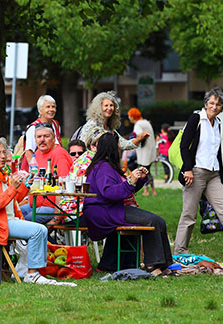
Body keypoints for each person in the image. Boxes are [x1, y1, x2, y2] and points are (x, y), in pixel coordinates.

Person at [0, 137, 76, 286]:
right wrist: (12, 188)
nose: (3, 156)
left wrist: (25, 185)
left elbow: (13, 199)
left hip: (9, 219)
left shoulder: (0, 173)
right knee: (38, 230)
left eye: (4, 152)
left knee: (39, 229)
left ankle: (30, 270)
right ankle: (32, 273)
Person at [174, 87, 223, 260]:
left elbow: (217, 153)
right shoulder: (196, 118)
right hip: (195, 172)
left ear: (222, 107)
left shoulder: (217, 123)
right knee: (189, 214)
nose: (214, 107)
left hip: (214, 174)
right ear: (206, 103)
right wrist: (187, 169)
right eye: (211, 103)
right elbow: (184, 146)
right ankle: (179, 250)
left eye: (218, 104)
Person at [82, 133, 175, 275]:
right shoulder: (103, 167)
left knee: (158, 221)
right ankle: (152, 266)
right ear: (113, 148)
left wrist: (138, 180)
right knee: (153, 221)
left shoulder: (106, 166)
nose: (121, 149)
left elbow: (123, 191)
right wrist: (131, 181)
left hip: (109, 209)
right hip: (104, 211)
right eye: (118, 145)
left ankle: (163, 265)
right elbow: (109, 193)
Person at [19, 124, 73, 224]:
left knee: (25, 222)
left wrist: (56, 219)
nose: (42, 140)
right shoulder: (38, 153)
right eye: (39, 137)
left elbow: (63, 188)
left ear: (54, 139)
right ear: (35, 139)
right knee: (13, 215)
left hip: (53, 207)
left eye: (46, 136)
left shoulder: (59, 155)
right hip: (35, 204)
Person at [77, 91, 149, 151]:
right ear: (98, 108)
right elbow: (82, 147)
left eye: (111, 105)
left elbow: (123, 144)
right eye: (106, 105)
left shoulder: (109, 128)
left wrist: (139, 138)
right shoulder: (91, 125)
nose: (109, 108)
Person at [21, 95, 62, 169]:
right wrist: (36, 172)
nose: (51, 109)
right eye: (48, 107)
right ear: (40, 110)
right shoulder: (33, 128)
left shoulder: (56, 125)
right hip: (39, 170)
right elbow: (29, 153)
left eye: (53, 107)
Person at [128, 108, 157, 196]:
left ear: (133, 117)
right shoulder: (145, 122)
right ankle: (153, 190)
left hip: (144, 152)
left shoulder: (138, 124)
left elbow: (140, 136)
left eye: (129, 116)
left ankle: (146, 191)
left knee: (144, 172)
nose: (129, 118)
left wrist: (134, 143)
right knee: (148, 171)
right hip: (151, 150)